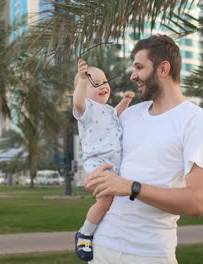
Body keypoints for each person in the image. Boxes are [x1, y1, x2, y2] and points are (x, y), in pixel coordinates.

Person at [84, 35, 203, 264]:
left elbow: (197, 203)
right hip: (102, 247)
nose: (133, 75)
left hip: (150, 254)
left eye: (139, 67)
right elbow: (100, 151)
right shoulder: (129, 115)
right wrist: (96, 178)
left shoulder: (197, 121)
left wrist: (131, 187)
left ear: (163, 68)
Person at [73, 62, 135, 261]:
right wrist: (82, 81)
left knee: (117, 197)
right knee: (106, 199)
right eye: (96, 83)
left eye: (105, 82)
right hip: (98, 164)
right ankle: (85, 233)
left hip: (112, 165)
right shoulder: (87, 109)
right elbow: (78, 102)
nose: (103, 86)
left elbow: (114, 116)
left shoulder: (107, 109)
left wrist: (124, 103)